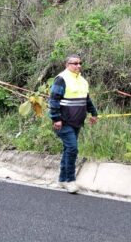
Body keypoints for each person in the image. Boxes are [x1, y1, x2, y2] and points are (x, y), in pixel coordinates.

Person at [49, 54, 98, 193]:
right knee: (72, 149)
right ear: (67, 64)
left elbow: (86, 100)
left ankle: (62, 180)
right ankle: (70, 180)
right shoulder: (61, 79)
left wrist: (93, 113)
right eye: (74, 63)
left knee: (68, 150)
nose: (78, 65)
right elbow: (53, 100)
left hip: (77, 122)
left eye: (79, 63)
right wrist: (56, 118)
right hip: (64, 122)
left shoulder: (82, 81)